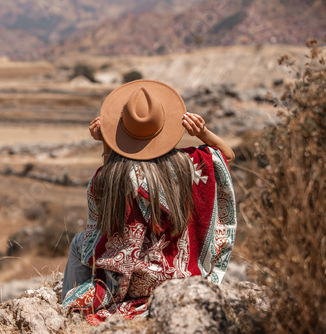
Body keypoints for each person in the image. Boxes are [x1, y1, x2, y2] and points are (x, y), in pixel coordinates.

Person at [61, 80, 237, 325]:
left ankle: (69, 313)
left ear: (122, 129)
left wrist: (105, 143)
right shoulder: (189, 163)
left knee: (80, 243)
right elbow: (226, 156)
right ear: (163, 124)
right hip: (179, 275)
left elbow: (101, 226)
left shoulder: (111, 176)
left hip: (131, 282)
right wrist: (201, 132)